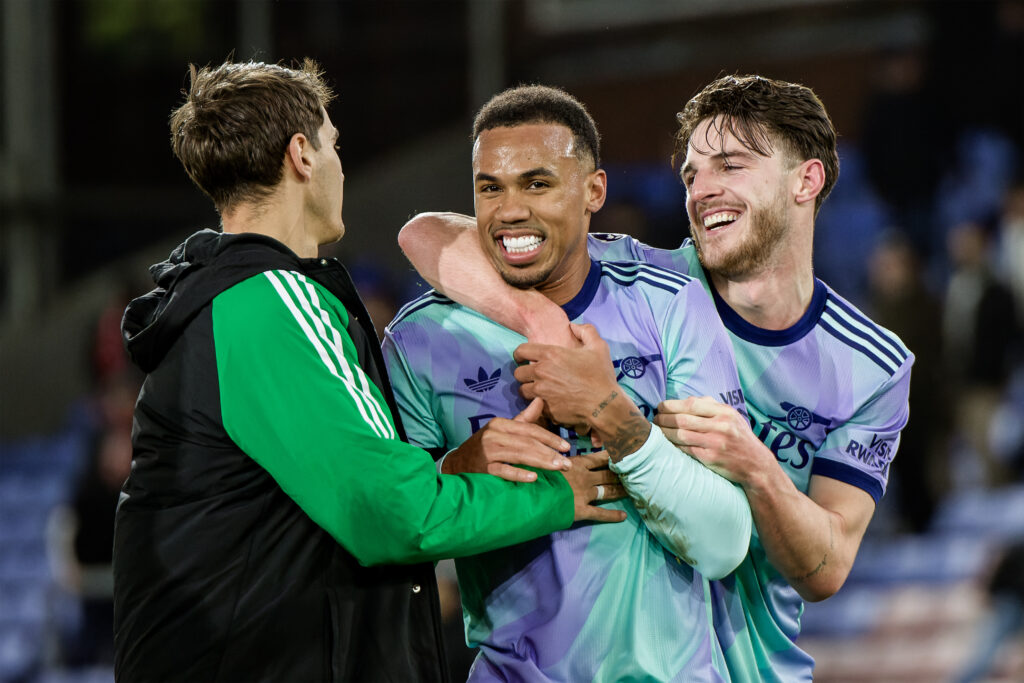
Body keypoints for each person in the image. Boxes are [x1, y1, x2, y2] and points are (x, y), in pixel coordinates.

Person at [111, 59, 625, 683]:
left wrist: (451, 466)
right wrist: (561, 492)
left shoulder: (237, 300)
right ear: (302, 155)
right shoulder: (268, 304)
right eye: (334, 144)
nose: (339, 165)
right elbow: (392, 516)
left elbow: (304, 505)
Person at [398, 75, 914, 681]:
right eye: (692, 174)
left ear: (807, 179)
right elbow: (429, 234)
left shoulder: (872, 365)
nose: (702, 190)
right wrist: (540, 319)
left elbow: (824, 568)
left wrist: (754, 464)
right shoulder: (660, 284)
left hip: (755, 665)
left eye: (730, 166)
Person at [383, 85, 753, 682]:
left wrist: (612, 415)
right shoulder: (421, 338)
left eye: (537, 183)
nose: (508, 212)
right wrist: (456, 470)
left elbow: (724, 542)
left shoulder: (669, 300)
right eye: (489, 188)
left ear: (594, 192)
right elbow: (398, 526)